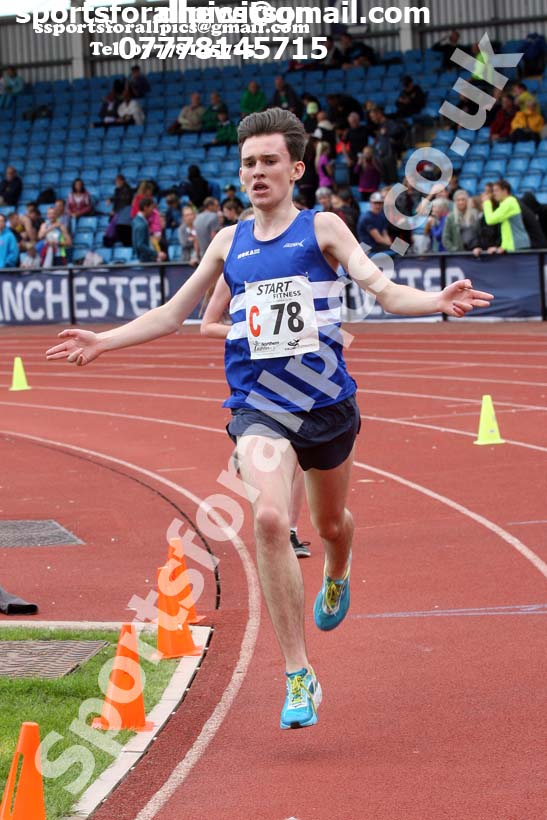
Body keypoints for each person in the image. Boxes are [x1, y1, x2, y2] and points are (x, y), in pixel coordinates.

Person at [46, 108, 493, 730]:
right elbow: (175, 314)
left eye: (269, 162)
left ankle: (338, 571)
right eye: (248, 163)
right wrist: (103, 340)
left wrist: (435, 301)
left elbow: (384, 292)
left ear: (296, 169)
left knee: (332, 523)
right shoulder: (228, 242)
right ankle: (297, 672)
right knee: (271, 516)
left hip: (326, 400)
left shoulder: (324, 227)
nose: (257, 173)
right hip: (259, 405)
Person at [481, 180, 530, 252]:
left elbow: (490, 220)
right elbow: (507, 229)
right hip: (513, 246)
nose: (494, 194)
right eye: (493, 191)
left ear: (505, 190)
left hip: (518, 245)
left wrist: (486, 202)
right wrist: (503, 246)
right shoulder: (506, 203)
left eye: (496, 191)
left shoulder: (509, 202)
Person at [132, 197, 167, 262]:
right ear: (145, 208)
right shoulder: (142, 224)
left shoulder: (136, 220)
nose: (153, 210)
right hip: (145, 260)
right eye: (151, 207)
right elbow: (140, 245)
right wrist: (157, 254)